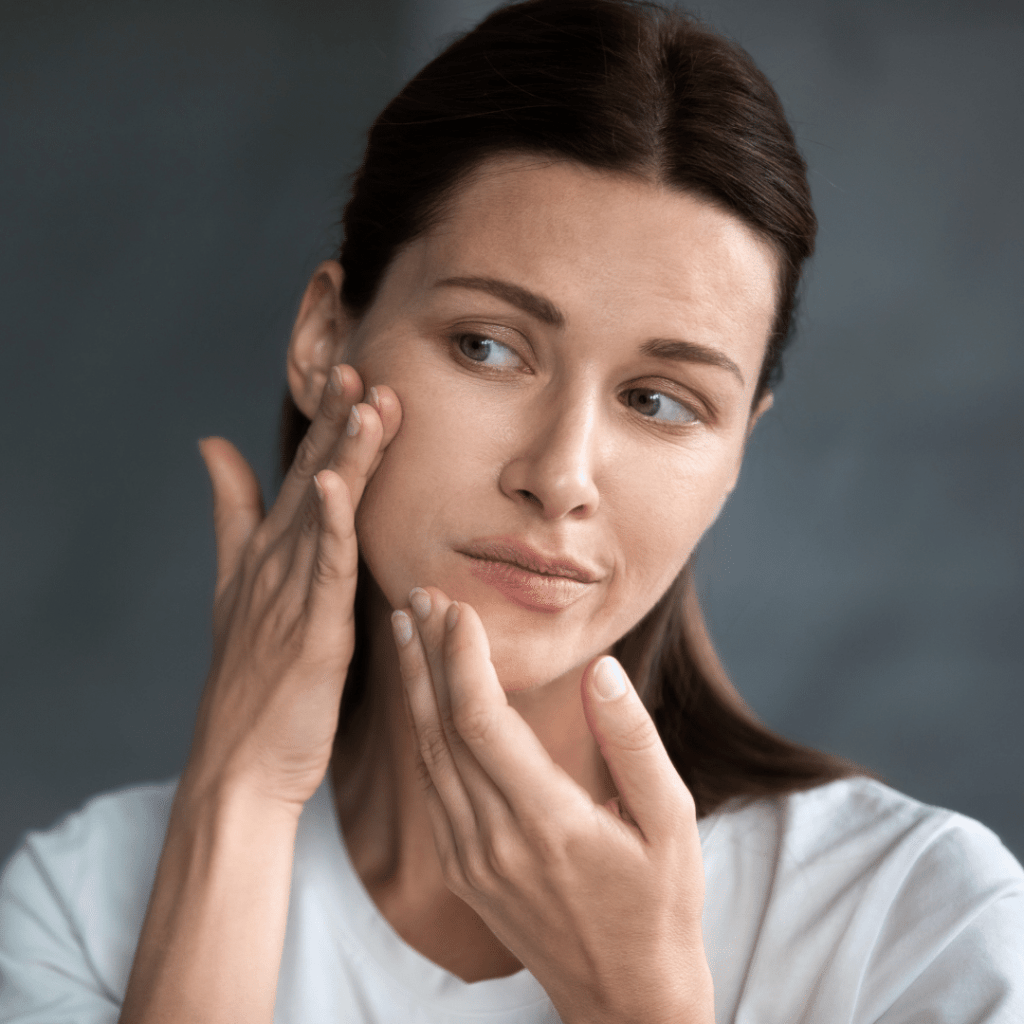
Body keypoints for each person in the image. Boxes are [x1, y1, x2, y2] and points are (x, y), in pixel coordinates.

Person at [1, 0, 1021, 1021]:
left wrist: (638, 1001)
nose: (560, 474)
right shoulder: (86, 903)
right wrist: (241, 787)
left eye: (659, 401)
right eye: (487, 346)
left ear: (736, 451)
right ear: (324, 338)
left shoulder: (919, 921)